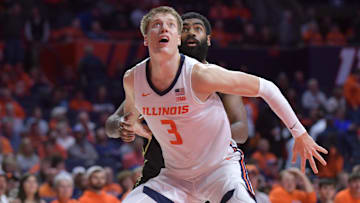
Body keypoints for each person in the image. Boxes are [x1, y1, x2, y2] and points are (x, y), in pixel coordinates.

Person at [111, 6, 327, 203]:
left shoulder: (201, 75)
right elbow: (128, 118)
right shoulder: (132, 79)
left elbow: (267, 88)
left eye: (170, 25)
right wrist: (132, 126)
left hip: (219, 170)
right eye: (156, 25)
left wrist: (299, 133)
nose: (163, 29)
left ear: (178, 39)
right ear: (146, 39)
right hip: (174, 176)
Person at [106, 11, 249, 188]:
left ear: (209, 39)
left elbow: (241, 131)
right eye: (185, 28)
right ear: (177, 38)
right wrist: (122, 125)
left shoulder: (219, 79)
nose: (191, 32)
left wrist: (198, 134)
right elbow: (111, 124)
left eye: (198, 28)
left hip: (207, 176)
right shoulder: (148, 78)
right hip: (159, 175)